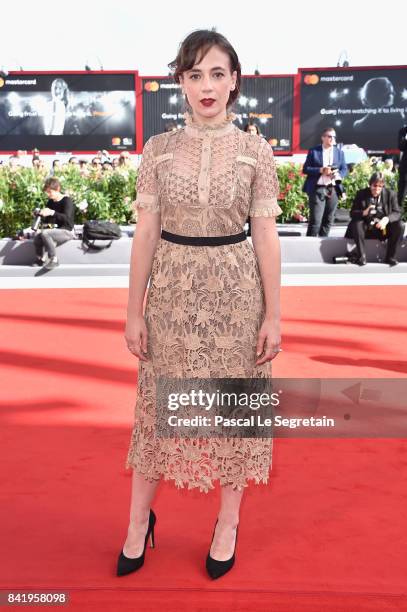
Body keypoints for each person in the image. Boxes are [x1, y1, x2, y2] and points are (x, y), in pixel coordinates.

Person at [118, 29, 283, 581]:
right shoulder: (157, 151)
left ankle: (228, 523)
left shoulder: (256, 151)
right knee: (158, 413)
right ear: (181, 84)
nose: (206, 86)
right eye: (194, 75)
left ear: (234, 80)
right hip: (171, 292)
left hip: (236, 294)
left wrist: (274, 313)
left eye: (217, 73)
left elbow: (265, 236)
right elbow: (145, 235)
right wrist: (134, 309)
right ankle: (139, 522)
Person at [344, 172, 405, 266]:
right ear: (370, 184)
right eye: (374, 186)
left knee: (400, 225)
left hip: (382, 229)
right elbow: (352, 213)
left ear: (383, 186)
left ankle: (391, 257)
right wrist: (364, 212)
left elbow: (397, 212)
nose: (377, 189)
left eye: (380, 186)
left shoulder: (391, 194)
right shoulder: (361, 194)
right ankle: (361, 257)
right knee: (357, 223)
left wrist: (387, 219)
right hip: (366, 229)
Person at [303, 127, 348, 236]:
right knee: (316, 221)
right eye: (329, 136)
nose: (332, 139)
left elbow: (344, 169)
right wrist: (321, 170)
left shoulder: (339, 152)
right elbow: (305, 169)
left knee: (328, 220)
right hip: (318, 188)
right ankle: (310, 245)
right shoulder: (314, 151)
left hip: (333, 189)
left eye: (333, 136)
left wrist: (338, 175)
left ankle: (322, 243)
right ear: (323, 138)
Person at [32, 177, 75, 269]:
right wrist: (40, 214)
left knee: (45, 233)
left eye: (50, 192)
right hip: (54, 230)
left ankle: (54, 259)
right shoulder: (51, 202)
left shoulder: (67, 201)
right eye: (47, 192)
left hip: (67, 231)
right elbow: (49, 220)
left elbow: (68, 220)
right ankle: (40, 259)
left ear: (58, 189)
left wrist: (52, 212)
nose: (48, 195)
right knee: (38, 235)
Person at [398, 125, 407, 210]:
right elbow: (401, 147)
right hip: (405, 168)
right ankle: (398, 216)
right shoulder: (403, 131)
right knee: (401, 193)